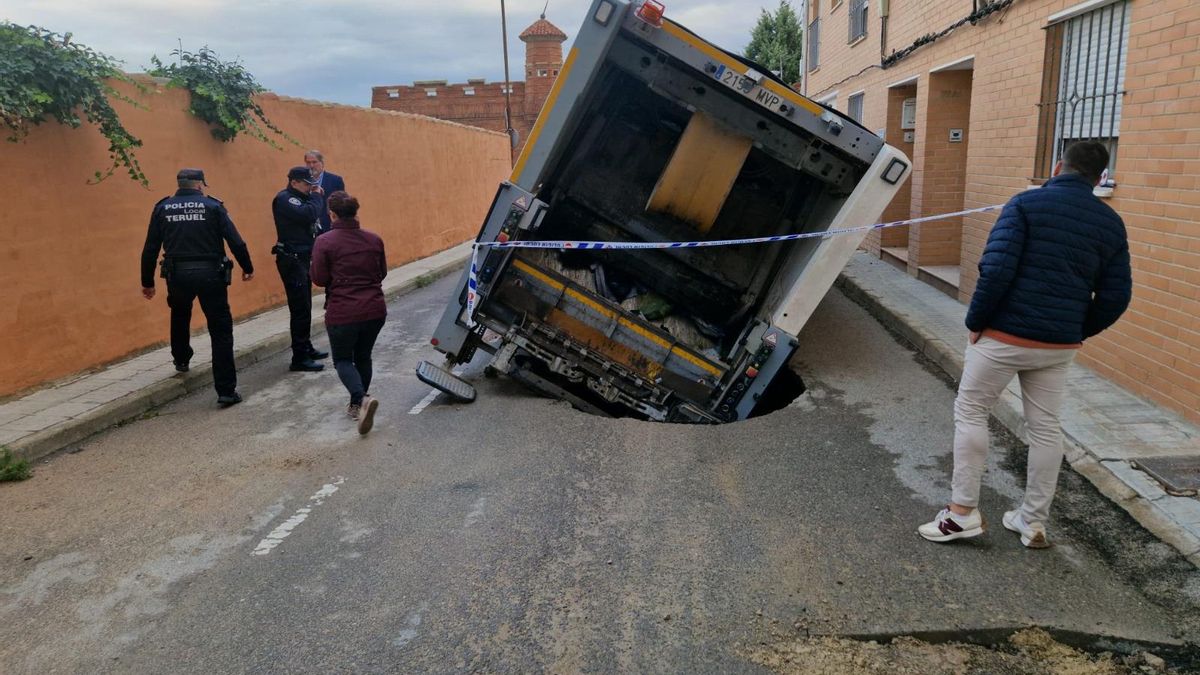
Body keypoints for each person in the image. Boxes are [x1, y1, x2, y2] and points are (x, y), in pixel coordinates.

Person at [919, 141, 1132, 549]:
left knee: (972, 412)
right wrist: (1078, 329)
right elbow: (1116, 296)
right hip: (1058, 346)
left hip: (1003, 335)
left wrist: (976, 321)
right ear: (1100, 177)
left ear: (1057, 167)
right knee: (1046, 428)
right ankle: (1032, 522)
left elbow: (996, 270)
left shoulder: (1023, 205)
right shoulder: (1110, 223)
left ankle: (961, 513)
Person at [141, 168, 255, 407]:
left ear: (179, 184)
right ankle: (225, 390)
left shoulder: (163, 208)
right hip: (211, 274)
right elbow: (235, 240)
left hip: (177, 275)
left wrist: (147, 282)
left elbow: (151, 247)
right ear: (200, 185)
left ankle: (181, 360)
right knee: (220, 329)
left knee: (180, 315)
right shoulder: (213, 207)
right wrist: (247, 266)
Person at [310, 191, 387, 434]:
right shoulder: (374, 240)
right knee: (363, 356)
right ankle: (357, 405)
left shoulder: (325, 242)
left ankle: (361, 399)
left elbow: (320, 279)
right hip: (374, 309)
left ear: (331, 214)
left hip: (343, 310)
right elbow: (382, 272)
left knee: (343, 359)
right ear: (356, 212)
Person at [272, 166, 330, 372]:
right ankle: (299, 358)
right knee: (300, 309)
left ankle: (306, 347)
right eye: (306, 184)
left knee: (305, 306)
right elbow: (309, 214)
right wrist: (317, 197)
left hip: (302, 259)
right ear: (294, 182)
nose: (310, 188)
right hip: (292, 260)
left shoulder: (301, 197)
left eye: (311, 185)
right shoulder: (286, 199)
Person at [305, 150, 345, 235]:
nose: (311, 165)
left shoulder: (335, 180)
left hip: (329, 227)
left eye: (314, 162)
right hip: (307, 229)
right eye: (308, 162)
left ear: (322, 163)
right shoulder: (301, 182)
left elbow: (341, 205)